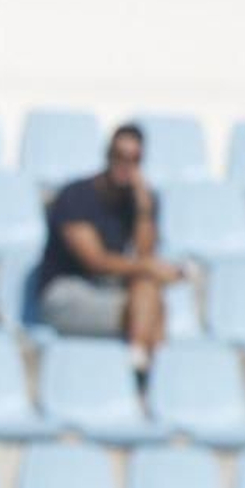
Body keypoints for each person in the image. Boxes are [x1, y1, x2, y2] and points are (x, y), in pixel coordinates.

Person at [37, 124, 184, 375]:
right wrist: (150, 267)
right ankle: (147, 379)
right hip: (67, 293)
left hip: (107, 292)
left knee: (147, 290)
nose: (125, 165)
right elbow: (95, 261)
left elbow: (143, 255)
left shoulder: (139, 203)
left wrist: (143, 209)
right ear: (107, 155)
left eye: (133, 159)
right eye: (119, 156)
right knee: (151, 310)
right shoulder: (76, 196)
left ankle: (139, 358)